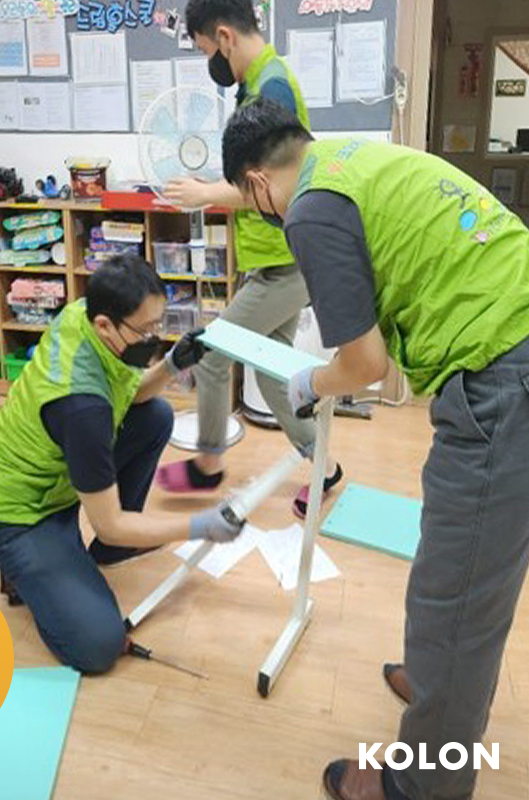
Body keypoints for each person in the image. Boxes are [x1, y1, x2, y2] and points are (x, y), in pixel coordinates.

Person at [221, 98, 529, 800]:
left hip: (504, 373)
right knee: (460, 565)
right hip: (511, 336)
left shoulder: (310, 210)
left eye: (247, 200)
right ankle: (438, 686)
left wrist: (310, 382)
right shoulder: (349, 159)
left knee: (459, 598)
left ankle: (423, 786)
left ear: (257, 183)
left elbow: (364, 365)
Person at [0, 256, 244, 675]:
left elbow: (134, 396)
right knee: (98, 646)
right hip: (16, 514)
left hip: (56, 478)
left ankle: (101, 554)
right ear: (105, 325)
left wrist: (173, 363)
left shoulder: (84, 315)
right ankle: (27, 570)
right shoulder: (82, 407)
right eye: (146, 330)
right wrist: (199, 526)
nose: (153, 337)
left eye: (159, 324)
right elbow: (110, 522)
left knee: (156, 417)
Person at [155, 0, 343, 517]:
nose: (209, 62)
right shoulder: (258, 83)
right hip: (277, 261)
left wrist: (204, 193)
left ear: (224, 36)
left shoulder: (271, 88)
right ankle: (325, 466)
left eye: (205, 50)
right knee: (272, 369)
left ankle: (207, 466)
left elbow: (273, 182)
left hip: (285, 265)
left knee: (212, 355)